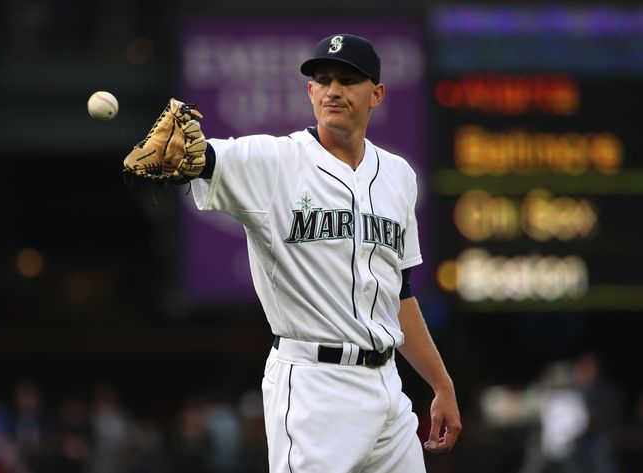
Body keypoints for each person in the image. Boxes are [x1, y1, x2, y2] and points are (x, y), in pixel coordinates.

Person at [144, 33, 462, 472]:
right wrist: (188, 158)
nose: (333, 89)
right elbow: (205, 158)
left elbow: (399, 293)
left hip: (389, 388)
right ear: (310, 91)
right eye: (323, 79)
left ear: (377, 94)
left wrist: (440, 383)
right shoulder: (273, 160)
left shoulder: (399, 176)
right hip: (315, 385)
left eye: (348, 80)